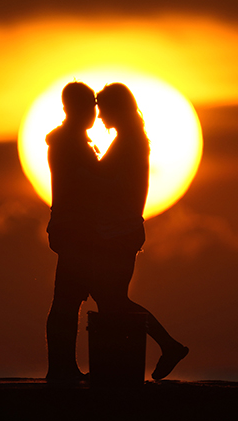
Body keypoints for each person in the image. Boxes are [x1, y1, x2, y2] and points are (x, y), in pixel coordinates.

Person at [93, 82, 189, 381]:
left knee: (114, 298)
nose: (100, 119)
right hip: (121, 229)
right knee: (109, 298)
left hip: (120, 232)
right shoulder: (131, 139)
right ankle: (123, 360)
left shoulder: (128, 143)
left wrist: (94, 165)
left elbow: (112, 185)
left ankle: (168, 345)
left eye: (103, 111)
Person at [44, 81, 98, 381]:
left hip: (74, 226)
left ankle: (65, 366)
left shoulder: (74, 140)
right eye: (88, 105)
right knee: (65, 299)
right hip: (73, 227)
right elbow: (82, 186)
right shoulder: (68, 143)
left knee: (70, 297)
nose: (93, 112)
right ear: (73, 108)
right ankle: (61, 368)